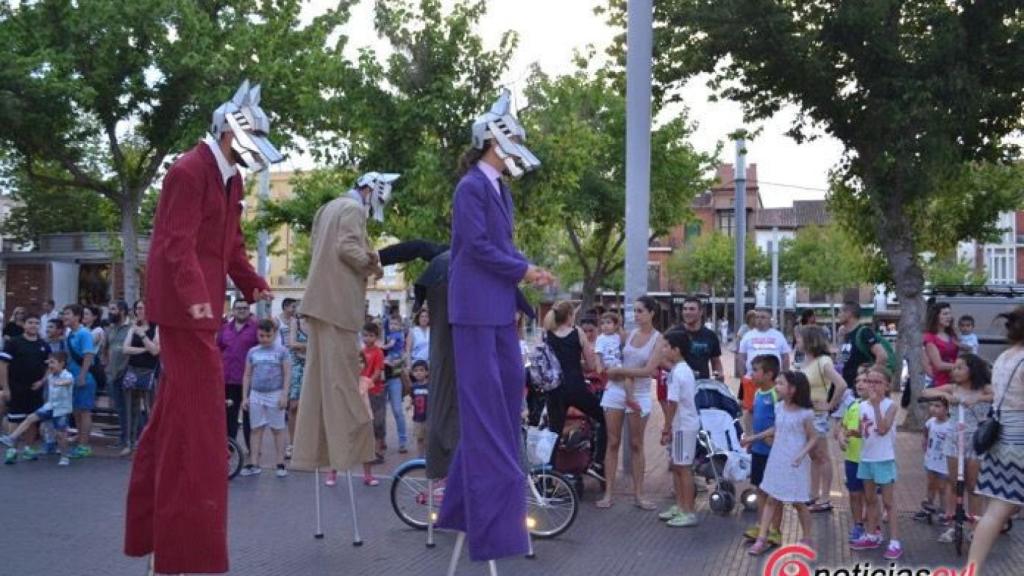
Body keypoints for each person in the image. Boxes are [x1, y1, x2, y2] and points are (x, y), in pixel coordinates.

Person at [124, 79, 277, 575]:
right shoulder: (189, 171)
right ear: (232, 133)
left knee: (171, 432)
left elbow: (228, 249)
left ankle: (162, 546)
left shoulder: (228, 179)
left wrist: (252, 283)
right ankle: (188, 555)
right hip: (186, 318)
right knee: (203, 434)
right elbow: (175, 243)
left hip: (202, 315)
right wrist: (193, 299)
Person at [435, 88, 551, 563]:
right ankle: (493, 523)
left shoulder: (500, 189)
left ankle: (463, 506)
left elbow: (498, 249)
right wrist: (523, 270)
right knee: (485, 412)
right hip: (475, 311)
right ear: (494, 141)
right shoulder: (470, 188)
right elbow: (478, 247)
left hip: (500, 309)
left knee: (505, 405)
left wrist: (526, 278)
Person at [290, 172, 393, 487]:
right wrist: (372, 265)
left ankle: (313, 450)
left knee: (319, 383)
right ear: (371, 190)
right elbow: (347, 248)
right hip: (337, 305)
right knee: (341, 383)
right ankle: (345, 448)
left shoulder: (328, 208)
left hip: (321, 302)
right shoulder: (353, 209)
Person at [969, 306, 1024, 574]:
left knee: (995, 511)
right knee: (1000, 511)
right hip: (1021, 441)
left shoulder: (1004, 357)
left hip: (1002, 441)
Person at [598, 296, 663, 510]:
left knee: (636, 443)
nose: (636, 315)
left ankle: (639, 494)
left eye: (640, 311)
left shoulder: (658, 338)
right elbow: (608, 348)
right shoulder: (629, 334)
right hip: (616, 390)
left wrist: (621, 371)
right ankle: (608, 493)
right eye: (634, 311)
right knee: (613, 442)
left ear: (652, 313)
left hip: (640, 393)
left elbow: (648, 371)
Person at [744, 370, 817, 555]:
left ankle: (807, 537)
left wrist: (802, 454)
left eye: (780, 384)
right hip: (778, 458)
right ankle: (762, 537)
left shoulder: (805, 414)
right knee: (771, 498)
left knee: (799, 503)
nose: (776, 387)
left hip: (795, 461)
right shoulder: (779, 407)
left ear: (793, 389)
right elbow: (776, 428)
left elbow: (813, 437)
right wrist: (754, 438)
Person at [922, 353, 993, 538]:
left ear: (973, 369)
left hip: (976, 441)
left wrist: (978, 399)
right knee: (954, 485)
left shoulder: (984, 389)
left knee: (973, 486)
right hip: (954, 441)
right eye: (954, 367)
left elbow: (998, 395)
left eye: (960, 367)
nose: (955, 371)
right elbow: (926, 392)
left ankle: (975, 527)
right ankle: (954, 524)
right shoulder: (953, 388)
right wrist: (945, 395)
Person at [542, 301, 606, 480]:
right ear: (570, 315)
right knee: (604, 417)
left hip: (554, 390)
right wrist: (575, 364)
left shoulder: (547, 334)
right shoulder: (577, 332)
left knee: (554, 431)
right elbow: (591, 364)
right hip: (576, 387)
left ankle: (549, 476)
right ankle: (597, 461)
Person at [850, 367, 902, 560]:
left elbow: (882, 429)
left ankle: (895, 541)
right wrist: (849, 433)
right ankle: (872, 533)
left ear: (887, 385)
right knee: (870, 500)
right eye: (869, 381)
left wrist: (875, 405)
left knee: (888, 502)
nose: (872, 385)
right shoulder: (862, 405)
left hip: (884, 459)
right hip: (866, 458)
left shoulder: (890, 405)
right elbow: (863, 430)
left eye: (877, 382)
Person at [798, 325, 849, 513]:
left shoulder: (823, 361)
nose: (798, 342)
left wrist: (829, 405)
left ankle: (825, 497)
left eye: (801, 339)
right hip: (807, 413)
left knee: (822, 456)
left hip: (817, 415)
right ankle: (813, 494)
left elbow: (841, 384)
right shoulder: (807, 361)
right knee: (814, 456)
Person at [1, 352, 73, 466]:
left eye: (53, 363)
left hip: (61, 409)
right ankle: (12, 437)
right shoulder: (50, 375)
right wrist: (40, 382)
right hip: (49, 406)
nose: (50, 365)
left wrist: (60, 383)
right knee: (30, 418)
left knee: (60, 434)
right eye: (49, 363)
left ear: (62, 364)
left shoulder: (67, 375)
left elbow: (68, 381)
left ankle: (65, 456)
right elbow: (46, 376)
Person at [658, 329, 699, 527]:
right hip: (681, 425)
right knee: (677, 466)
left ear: (676, 349)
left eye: (666, 346)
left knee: (683, 468)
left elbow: (672, 403)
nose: (663, 350)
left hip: (683, 426)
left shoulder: (678, 372)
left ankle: (688, 511)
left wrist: (666, 428)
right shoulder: (680, 369)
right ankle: (681, 506)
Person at [742, 355, 784, 547]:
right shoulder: (758, 393)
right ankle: (761, 525)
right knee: (760, 488)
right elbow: (753, 416)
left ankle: (775, 529)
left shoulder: (776, 394)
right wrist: (750, 437)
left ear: (768, 374)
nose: (752, 374)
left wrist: (770, 439)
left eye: (756, 370)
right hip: (758, 450)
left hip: (772, 452)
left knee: (774, 491)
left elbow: (781, 422)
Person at [239, 320, 290, 478]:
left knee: (277, 429)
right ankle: (254, 463)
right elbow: (247, 375)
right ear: (257, 334)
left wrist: (284, 395)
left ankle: (280, 463)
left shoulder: (282, 351)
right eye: (261, 335)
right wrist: (244, 397)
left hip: (275, 393)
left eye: (268, 335)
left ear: (274, 334)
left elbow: (287, 374)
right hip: (256, 394)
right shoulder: (253, 351)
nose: (265, 339)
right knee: (256, 429)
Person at [0, 314, 50, 464]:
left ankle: (28, 448)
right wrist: (5, 387)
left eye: (36, 323)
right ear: (24, 325)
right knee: (14, 418)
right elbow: (3, 365)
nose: (33, 325)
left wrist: (42, 381)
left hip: (35, 389)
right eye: (30, 322)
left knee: (32, 419)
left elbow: (49, 365)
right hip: (16, 387)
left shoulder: (43, 345)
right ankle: (12, 450)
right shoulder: (14, 343)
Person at [835, 365, 874, 543]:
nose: (860, 384)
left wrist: (855, 433)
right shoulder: (853, 405)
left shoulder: (877, 407)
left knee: (871, 495)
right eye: (857, 381)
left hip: (871, 459)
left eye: (864, 381)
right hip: (852, 457)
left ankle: (874, 527)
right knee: (854, 493)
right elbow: (843, 427)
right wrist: (842, 437)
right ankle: (858, 524)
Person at [737, 309, 791, 433]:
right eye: (758, 317)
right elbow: (741, 356)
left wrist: (785, 375)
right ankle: (750, 435)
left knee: (775, 407)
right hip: (752, 379)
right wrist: (743, 376)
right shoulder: (748, 335)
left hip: (773, 380)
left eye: (763, 317)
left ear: (770, 319)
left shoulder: (778, 336)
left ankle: (772, 434)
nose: (759, 320)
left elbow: (785, 356)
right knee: (750, 409)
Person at [120, 300, 160, 456]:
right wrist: (145, 349)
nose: (140, 311)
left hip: (150, 372)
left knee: (151, 409)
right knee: (131, 409)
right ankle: (129, 443)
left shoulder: (156, 328)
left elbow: (156, 351)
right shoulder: (133, 327)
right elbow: (125, 349)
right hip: (132, 371)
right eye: (137, 308)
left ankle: (151, 443)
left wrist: (142, 335)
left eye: (143, 308)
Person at [218, 300, 258, 452]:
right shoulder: (224, 329)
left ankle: (252, 448)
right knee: (230, 416)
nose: (242, 311)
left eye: (245, 308)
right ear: (233, 310)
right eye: (239, 308)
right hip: (229, 380)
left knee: (249, 416)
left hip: (249, 379)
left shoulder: (255, 328)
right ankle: (229, 447)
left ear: (249, 310)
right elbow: (218, 348)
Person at [63, 304, 96, 459]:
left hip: (85, 378)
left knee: (84, 411)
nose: (64, 317)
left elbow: (88, 355)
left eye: (68, 314)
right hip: (72, 378)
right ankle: (80, 441)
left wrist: (82, 375)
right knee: (76, 410)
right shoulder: (70, 334)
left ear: (77, 316)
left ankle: (84, 445)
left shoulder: (84, 333)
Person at [914, 396, 952, 523]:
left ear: (947, 409)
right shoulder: (931, 422)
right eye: (932, 405)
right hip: (931, 459)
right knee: (931, 485)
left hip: (945, 462)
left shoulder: (951, 425)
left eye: (938, 406)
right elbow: (926, 433)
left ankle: (945, 511)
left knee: (943, 487)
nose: (934, 409)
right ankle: (927, 509)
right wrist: (924, 443)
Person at [835, 301, 888, 390]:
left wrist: (866, 376)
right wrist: (840, 338)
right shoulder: (845, 334)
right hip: (847, 388)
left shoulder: (864, 332)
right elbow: (841, 360)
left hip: (861, 390)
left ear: (849, 314)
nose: (838, 315)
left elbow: (882, 356)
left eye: (840, 312)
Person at [673, 296, 723, 381]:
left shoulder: (710, 336)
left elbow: (715, 362)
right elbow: (662, 361)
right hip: (679, 387)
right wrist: (684, 372)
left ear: (700, 312)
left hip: (702, 386)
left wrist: (718, 376)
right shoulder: (673, 334)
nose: (687, 312)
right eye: (685, 309)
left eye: (692, 309)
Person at [361, 322, 387, 480]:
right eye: (365, 335)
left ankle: (378, 451)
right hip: (363, 392)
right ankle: (368, 451)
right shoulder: (361, 351)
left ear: (376, 337)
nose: (367, 338)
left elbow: (378, 371)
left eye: (371, 335)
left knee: (378, 421)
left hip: (375, 391)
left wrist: (369, 381)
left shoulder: (378, 352)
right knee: (367, 423)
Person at [105, 301, 133, 449]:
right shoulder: (110, 329)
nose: (110, 312)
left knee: (129, 408)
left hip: (126, 373)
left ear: (122, 311)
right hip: (113, 374)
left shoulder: (131, 328)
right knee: (120, 408)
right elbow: (106, 349)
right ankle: (123, 438)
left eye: (113, 309)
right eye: (109, 309)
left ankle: (130, 439)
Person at [382, 305, 408, 454]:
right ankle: (381, 440)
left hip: (394, 376)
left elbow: (402, 355)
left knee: (397, 410)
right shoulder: (385, 334)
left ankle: (402, 441)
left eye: (395, 324)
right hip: (381, 378)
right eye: (391, 324)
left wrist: (383, 348)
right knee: (381, 412)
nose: (392, 326)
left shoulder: (396, 336)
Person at [285, 312, 308, 459]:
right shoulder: (296, 322)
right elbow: (292, 343)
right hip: (297, 368)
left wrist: (302, 348)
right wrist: (310, 346)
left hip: (314, 367)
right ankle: (292, 444)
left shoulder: (320, 323)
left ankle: (308, 444)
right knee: (294, 406)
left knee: (312, 407)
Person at [924, 303, 959, 389]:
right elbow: (938, 365)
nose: (949, 317)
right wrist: (962, 367)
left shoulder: (951, 335)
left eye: (950, 314)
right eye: (945, 314)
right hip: (940, 382)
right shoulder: (930, 337)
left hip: (956, 379)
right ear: (936, 316)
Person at [409, 359, 430, 457]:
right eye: (416, 371)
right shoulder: (413, 387)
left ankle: (429, 457)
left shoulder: (430, 386)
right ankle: (420, 456)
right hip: (417, 417)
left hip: (428, 417)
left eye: (422, 370)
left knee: (428, 438)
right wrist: (410, 404)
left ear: (427, 372)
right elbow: (412, 398)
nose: (419, 373)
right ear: (412, 373)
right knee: (419, 438)